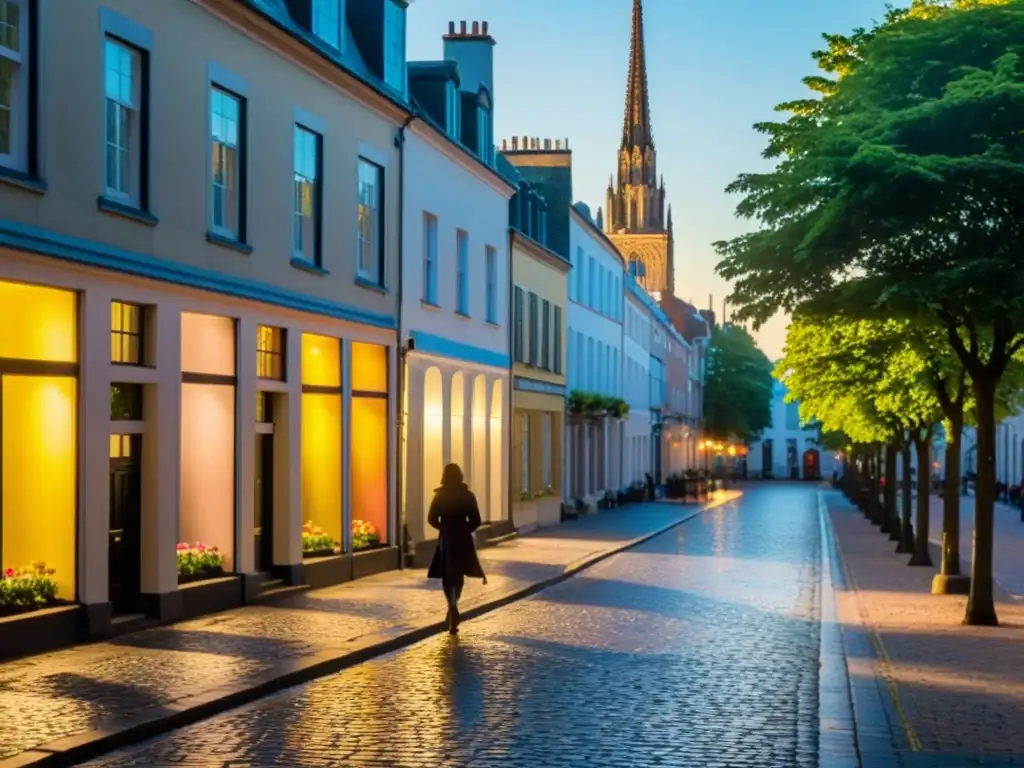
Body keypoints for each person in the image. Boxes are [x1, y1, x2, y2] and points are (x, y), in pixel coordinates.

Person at [427, 463, 487, 634]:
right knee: (459, 573)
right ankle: (454, 602)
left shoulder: (439, 496)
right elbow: (476, 520)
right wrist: (465, 529)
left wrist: (444, 528)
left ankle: (450, 604)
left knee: (447, 574)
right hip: (462, 538)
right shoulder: (467, 495)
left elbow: (431, 518)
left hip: (446, 538)